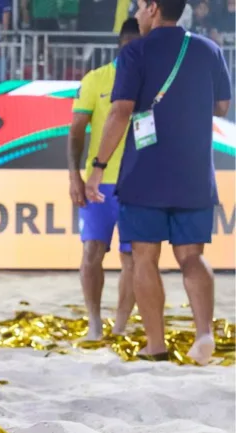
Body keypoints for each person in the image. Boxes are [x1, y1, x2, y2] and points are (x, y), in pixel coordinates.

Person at [85, 0, 231, 365]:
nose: (134, 14)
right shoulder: (208, 49)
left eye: (138, 7)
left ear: (152, 8)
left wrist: (99, 166)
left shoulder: (136, 51)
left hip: (144, 171)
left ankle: (155, 344)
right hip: (194, 171)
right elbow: (223, 106)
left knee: (145, 258)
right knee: (192, 257)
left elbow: (120, 111)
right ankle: (204, 334)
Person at [68, 18, 140, 341]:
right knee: (91, 255)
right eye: (132, 48)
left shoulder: (152, 81)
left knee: (134, 259)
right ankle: (95, 322)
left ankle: (121, 326)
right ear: (122, 45)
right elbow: (75, 133)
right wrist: (74, 176)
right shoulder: (96, 79)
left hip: (139, 184)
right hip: (98, 184)